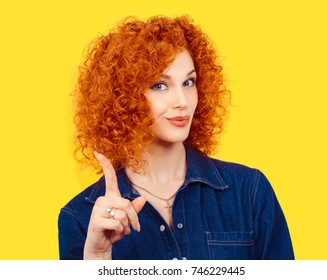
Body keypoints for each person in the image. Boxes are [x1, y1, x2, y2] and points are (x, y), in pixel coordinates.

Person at [58, 15, 294, 260]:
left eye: (189, 82)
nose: (182, 101)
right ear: (123, 98)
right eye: (160, 85)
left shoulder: (248, 192)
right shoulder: (81, 218)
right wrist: (97, 259)